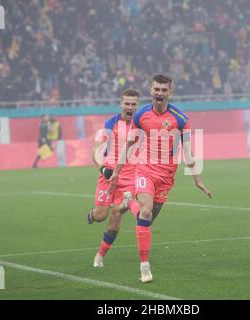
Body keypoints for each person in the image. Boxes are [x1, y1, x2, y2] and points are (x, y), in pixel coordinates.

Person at [108, 74, 212, 283]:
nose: (160, 93)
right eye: (157, 89)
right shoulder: (141, 115)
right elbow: (128, 145)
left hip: (166, 177)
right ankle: (144, 267)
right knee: (145, 211)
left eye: (164, 90)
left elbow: (189, 152)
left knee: (147, 219)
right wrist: (117, 171)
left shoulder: (180, 119)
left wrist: (197, 179)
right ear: (151, 90)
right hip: (145, 170)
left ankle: (124, 205)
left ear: (170, 92)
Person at [87, 88, 141, 267]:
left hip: (128, 178)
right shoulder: (110, 124)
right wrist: (103, 169)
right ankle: (93, 214)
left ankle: (100, 255)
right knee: (101, 215)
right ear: (121, 104)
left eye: (133, 104)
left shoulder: (142, 125)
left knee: (117, 213)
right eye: (127, 103)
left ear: (137, 106)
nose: (130, 107)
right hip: (109, 175)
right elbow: (96, 148)